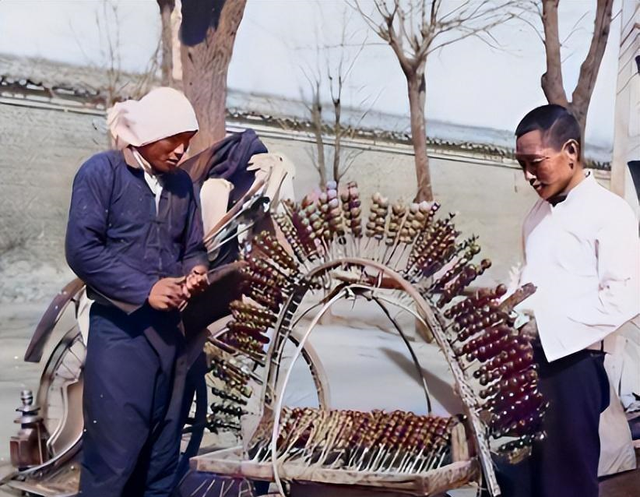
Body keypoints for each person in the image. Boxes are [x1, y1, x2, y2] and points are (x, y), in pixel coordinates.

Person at [65, 87, 209, 497]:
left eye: (188, 142)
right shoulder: (101, 173)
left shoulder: (182, 186)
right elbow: (82, 250)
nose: (182, 151)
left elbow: (192, 246)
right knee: (114, 464)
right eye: (174, 139)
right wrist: (146, 289)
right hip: (120, 335)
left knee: (161, 463)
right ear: (147, 133)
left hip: (170, 339)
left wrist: (195, 270)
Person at [508, 104, 639, 496]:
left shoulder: (610, 212)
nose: (529, 175)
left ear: (570, 151)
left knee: (565, 484)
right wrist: (506, 304)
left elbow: (625, 296)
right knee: (519, 480)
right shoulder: (535, 215)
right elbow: (531, 282)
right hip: (527, 365)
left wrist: (547, 327)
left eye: (536, 163)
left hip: (575, 368)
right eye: (521, 165)